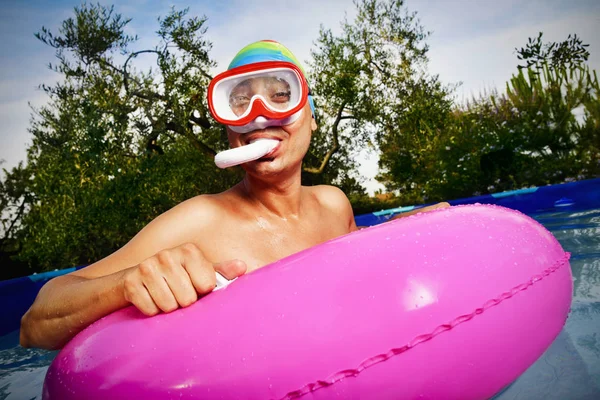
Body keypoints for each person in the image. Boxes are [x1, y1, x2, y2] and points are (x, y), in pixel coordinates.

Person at [20, 40, 447, 350]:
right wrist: (127, 284)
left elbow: (362, 255)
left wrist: (400, 232)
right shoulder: (201, 220)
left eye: (282, 95)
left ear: (311, 119)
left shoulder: (333, 204)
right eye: (238, 102)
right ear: (229, 130)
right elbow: (34, 323)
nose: (259, 116)